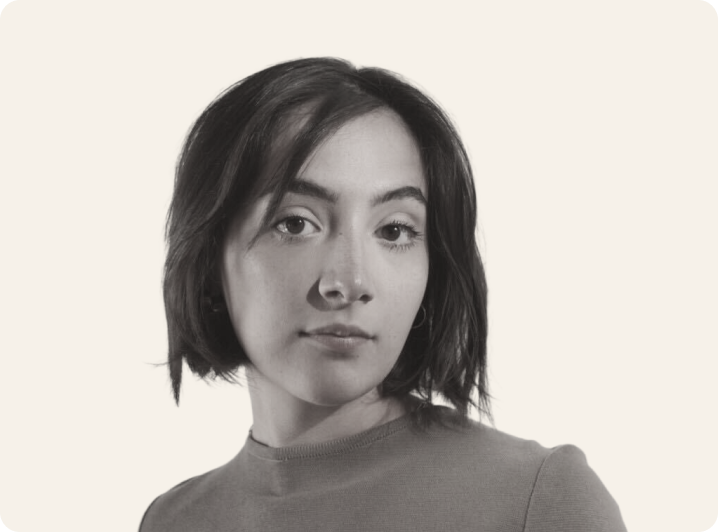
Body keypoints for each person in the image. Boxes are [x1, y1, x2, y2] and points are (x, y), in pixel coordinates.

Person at [140, 57, 626, 532]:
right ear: (209, 254)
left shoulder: (540, 503)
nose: (350, 282)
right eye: (296, 224)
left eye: (394, 230)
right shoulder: (171, 520)